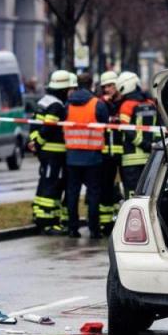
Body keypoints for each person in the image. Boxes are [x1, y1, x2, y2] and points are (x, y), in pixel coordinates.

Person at [63, 71, 111, 239]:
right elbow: (106, 123)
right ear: (91, 85)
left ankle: (72, 228)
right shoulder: (97, 104)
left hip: (72, 156)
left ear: (76, 84)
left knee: (72, 193)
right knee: (93, 194)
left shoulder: (68, 104)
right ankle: (93, 229)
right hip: (93, 157)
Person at [28, 70, 72, 235]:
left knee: (45, 182)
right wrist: (38, 142)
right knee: (52, 185)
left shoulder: (43, 101)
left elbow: (34, 125)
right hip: (54, 153)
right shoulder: (56, 106)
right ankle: (48, 222)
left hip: (45, 153)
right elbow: (49, 127)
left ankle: (39, 214)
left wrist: (34, 142)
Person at [115, 71, 159, 197]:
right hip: (151, 157)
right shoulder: (151, 103)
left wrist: (144, 144)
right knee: (149, 193)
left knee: (132, 193)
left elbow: (127, 130)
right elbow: (157, 127)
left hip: (130, 159)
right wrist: (154, 145)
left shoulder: (126, 106)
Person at [97, 70, 122, 235]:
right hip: (106, 154)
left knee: (121, 189)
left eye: (111, 85)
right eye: (105, 86)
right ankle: (106, 223)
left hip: (123, 153)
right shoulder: (101, 104)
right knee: (106, 188)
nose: (108, 89)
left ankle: (119, 221)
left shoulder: (123, 102)